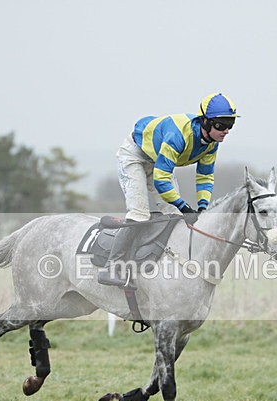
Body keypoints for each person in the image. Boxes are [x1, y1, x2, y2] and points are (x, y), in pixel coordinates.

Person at [98, 93, 238, 286]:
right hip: (134, 155)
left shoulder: (212, 144)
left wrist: (202, 207)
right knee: (139, 214)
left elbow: (204, 176)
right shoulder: (178, 136)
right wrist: (185, 207)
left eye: (230, 125)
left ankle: (164, 266)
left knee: (173, 216)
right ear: (205, 122)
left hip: (157, 160)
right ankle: (111, 267)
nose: (226, 131)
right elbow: (161, 180)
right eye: (221, 125)